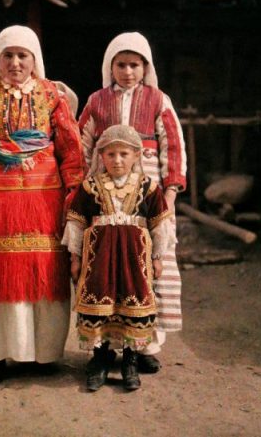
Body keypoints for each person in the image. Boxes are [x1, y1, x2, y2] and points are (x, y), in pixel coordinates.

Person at [0, 25, 85, 384]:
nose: (15, 63)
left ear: (34, 60)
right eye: (8, 56)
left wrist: (74, 202)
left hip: (44, 198)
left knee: (42, 269)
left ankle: (42, 353)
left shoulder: (52, 95)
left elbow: (70, 150)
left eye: (22, 55)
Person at [78, 32, 187, 374]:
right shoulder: (96, 100)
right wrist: (82, 187)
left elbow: (173, 145)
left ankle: (144, 346)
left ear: (145, 67)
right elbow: (81, 144)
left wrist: (169, 191)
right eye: (121, 64)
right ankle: (106, 345)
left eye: (134, 64)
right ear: (110, 67)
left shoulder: (158, 100)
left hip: (149, 189)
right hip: (108, 192)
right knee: (108, 265)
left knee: (153, 262)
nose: (127, 71)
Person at [62, 125, 173, 391]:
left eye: (124, 154)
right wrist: (75, 258)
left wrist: (157, 256)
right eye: (110, 154)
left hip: (135, 259)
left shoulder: (149, 187)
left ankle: (130, 362)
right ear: (101, 157)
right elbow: (76, 224)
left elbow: (160, 226)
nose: (117, 160)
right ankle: (100, 360)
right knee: (100, 303)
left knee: (132, 303)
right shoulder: (89, 188)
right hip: (99, 259)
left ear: (137, 155)